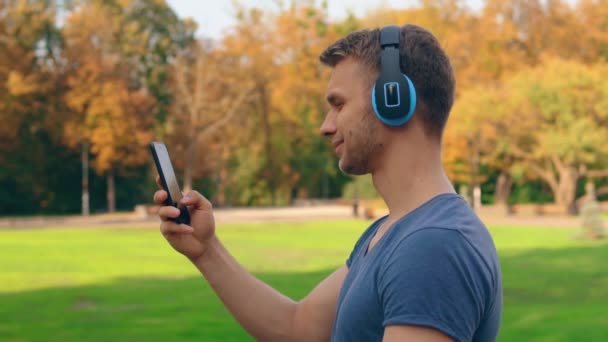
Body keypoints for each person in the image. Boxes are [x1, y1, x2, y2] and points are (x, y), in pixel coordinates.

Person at [153, 24, 502, 342]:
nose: (325, 126)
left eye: (338, 105)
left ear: (392, 99)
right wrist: (206, 250)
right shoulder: (394, 233)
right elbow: (297, 327)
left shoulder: (433, 246)